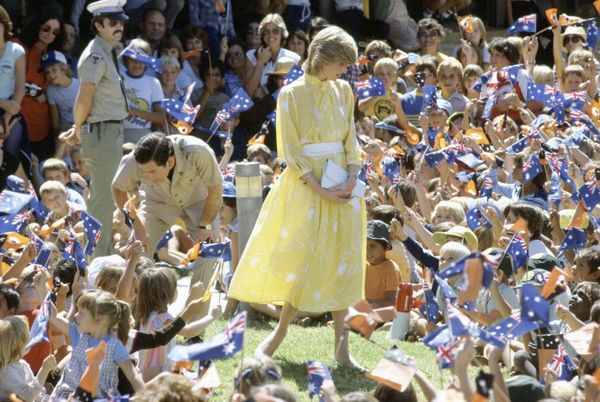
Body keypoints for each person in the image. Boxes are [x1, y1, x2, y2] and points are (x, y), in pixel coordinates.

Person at [228, 26, 365, 367]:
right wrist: (321, 190)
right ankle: (279, 334)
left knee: (343, 263)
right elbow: (290, 151)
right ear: (325, 59)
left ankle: (342, 350)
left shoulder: (344, 90)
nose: (343, 72)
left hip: (342, 187)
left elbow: (351, 139)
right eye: (340, 64)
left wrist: (351, 177)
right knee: (304, 262)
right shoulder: (291, 94)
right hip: (308, 190)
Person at [111, 133, 223, 317]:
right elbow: (118, 188)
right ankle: (132, 318)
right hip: (157, 203)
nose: (147, 175)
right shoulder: (133, 160)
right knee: (136, 252)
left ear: (169, 162)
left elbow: (216, 191)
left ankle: (192, 326)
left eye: (152, 171)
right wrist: (136, 224)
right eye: (144, 172)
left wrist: (205, 227)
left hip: (199, 203)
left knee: (208, 254)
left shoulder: (197, 151)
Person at [61, 0, 130, 258]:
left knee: (107, 197)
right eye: (113, 23)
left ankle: (102, 252)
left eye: (121, 22)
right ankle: (96, 259)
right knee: (102, 199)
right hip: (101, 132)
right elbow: (84, 96)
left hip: (109, 130)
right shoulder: (96, 54)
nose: (119, 27)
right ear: (98, 25)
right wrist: (77, 127)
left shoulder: (106, 49)